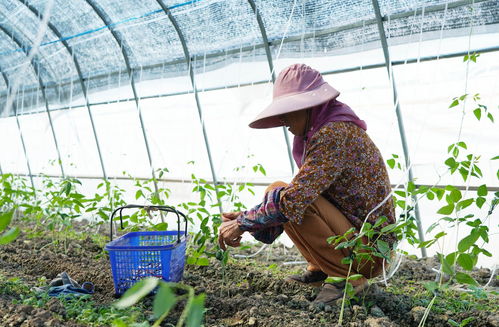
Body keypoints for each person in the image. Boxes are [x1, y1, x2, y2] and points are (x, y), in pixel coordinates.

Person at [218, 63, 396, 304]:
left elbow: (294, 201)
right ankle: (320, 269)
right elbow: (293, 196)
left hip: (370, 252)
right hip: (354, 239)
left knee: (292, 201)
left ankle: (350, 281)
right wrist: (248, 218)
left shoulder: (333, 133)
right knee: (279, 191)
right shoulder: (325, 130)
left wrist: (243, 222)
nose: (283, 119)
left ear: (309, 107)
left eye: (288, 111)